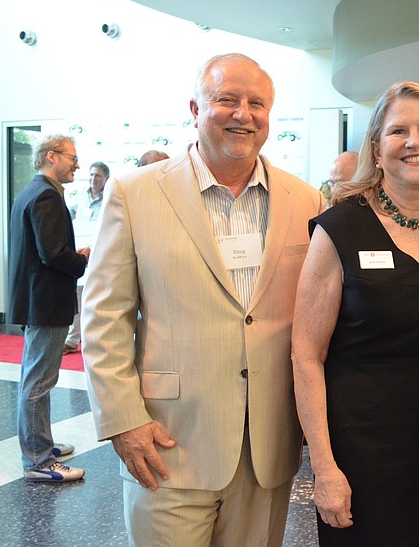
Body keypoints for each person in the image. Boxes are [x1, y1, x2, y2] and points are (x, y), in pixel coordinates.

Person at [81, 54, 324, 547]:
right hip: (169, 441)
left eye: (257, 103)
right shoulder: (136, 193)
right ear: (195, 107)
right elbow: (104, 317)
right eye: (227, 100)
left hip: (267, 446)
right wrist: (124, 420)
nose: (243, 114)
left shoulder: (306, 201)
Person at [291, 81, 419, 547]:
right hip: (359, 445)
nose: (414, 141)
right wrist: (324, 466)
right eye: (398, 131)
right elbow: (305, 355)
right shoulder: (340, 227)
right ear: (376, 147)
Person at [8, 133, 90, 482]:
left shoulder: (31, 191)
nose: (77, 164)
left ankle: (41, 444)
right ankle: (39, 461)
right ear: (51, 156)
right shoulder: (46, 196)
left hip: (36, 299)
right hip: (45, 301)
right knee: (38, 383)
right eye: (72, 157)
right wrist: (82, 259)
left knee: (34, 379)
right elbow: (54, 254)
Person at [62, 162, 110, 355]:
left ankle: (97, 341)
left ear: (106, 178)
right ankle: (72, 339)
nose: (93, 179)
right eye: (91, 175)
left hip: (101, 253)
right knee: (79, 295)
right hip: (81, 253)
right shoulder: (80, 196)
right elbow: (69, 217)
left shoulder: (110, 197)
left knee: (99, 298)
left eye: (97, 176)